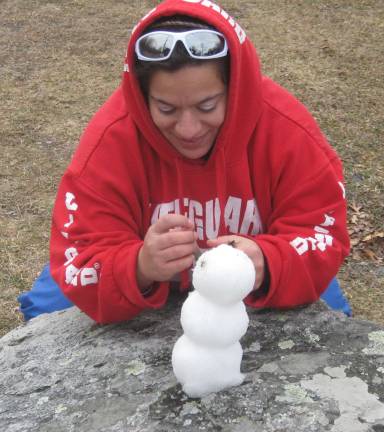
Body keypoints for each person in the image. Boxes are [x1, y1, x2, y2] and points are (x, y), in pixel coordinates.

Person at [40, 0, 350, 324]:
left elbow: (323, 234)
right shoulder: (111, 139)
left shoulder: (285, 129)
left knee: (328, 317)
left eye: (207, 106)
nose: (188, 129)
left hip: (255, 284)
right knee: (47, 305)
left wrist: (267, 261)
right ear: (141, 96)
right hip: (144, 282)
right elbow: (80, 256)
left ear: (235, 87)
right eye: (166, 109)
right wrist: (140, 265)